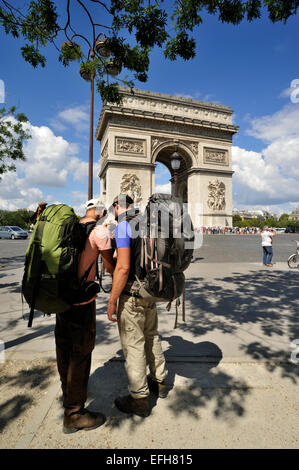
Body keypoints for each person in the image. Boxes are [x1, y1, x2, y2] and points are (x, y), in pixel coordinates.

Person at [55, 198, 115, 433]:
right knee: (81, 352)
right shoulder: (100, 232)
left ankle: (67, 393)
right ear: (100, 212)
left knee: (64, 347)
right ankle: (74, 414)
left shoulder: (69, 227)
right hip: (83, 302)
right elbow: (110, 266)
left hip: (61, 299)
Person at [106, 194, 168, 418]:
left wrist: (112, 300)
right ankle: (160, 382)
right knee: (152, 336)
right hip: (152, 291)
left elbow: (122, 268)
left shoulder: (123, 226)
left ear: (116, 207)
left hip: (132, 294)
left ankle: (139, 399)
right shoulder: (150, 223)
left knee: (133, 345)